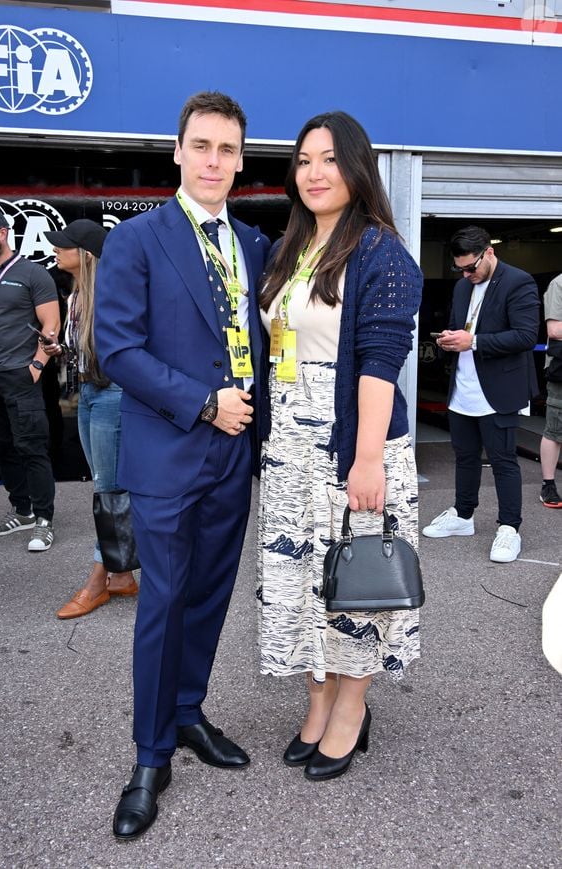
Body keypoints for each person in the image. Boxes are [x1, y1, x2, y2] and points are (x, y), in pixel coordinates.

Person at [94, 91, 270, 839]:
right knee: (162, 603)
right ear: (177, 151)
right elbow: (119, 352)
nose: (215, 161)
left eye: (229, 149)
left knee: (208, 595)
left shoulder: (255, 243)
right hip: (171, 449)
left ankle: (189, 711)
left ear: (239, 159)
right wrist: (204, 403)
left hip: (235, 456)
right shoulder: (137, 241)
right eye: (202, 145)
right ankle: (149, 755)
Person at [258, 111, 423, 782]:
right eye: (303, 160)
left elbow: (381, 363)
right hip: (289, 453)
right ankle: (318, 699)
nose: (314, 173)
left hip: (353, 444)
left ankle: (351, 709)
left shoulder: (381, 250)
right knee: (300, 585)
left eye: (329, 159)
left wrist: (367, 458)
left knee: (355, 587)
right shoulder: (289, 248)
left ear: (357, 169)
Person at [423, 226, 540, 562]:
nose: (467, 274)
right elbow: (465, 328)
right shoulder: (462, 287)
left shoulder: (518, 282)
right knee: (465, 456)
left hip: (499, 389)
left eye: (472, 267)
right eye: (460, 269)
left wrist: (472, 342)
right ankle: (462, 515)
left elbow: (524, 336)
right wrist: (451, 338)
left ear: (489, 252)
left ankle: (509, 528)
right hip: (463, 388)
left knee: (503, 461)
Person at [41, 219, 138, 618]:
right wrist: (58, 348)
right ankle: (122, 576)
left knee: (108, 491)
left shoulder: (113, 295)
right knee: (105, 488)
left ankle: (99, 580)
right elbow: (82, 352)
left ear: (86, 255)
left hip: (112, 395)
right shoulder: (77, 296)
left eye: (64, 246)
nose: (56, 251)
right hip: (89, 393)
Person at [0, 206, 59, 551]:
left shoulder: (33, 274)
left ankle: (44, 520)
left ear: (1, 232)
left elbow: (51, 326)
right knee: (2, 445)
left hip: (20, 374)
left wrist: (37, 367)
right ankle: (23, 510)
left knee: (31, 446)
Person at [539, 272, 562, 508]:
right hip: (561, 369)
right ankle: (548, 485)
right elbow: (555, 330)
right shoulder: (559, 284)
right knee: (555, 429)